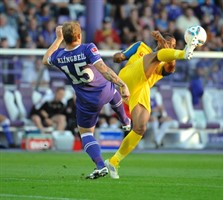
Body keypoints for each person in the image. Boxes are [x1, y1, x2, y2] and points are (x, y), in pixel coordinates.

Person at [104, 26, 202, 179]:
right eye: (169, 43)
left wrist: (164, 43)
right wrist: (118, 56)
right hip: (128, 77)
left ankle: (114, 161)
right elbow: (120, 57)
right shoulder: (141, 46)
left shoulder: (167, 63)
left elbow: (170, 67)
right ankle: (185, 52)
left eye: (174, 46)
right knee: (156, 56)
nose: (170, 46)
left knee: (140, 128)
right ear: (160, 41)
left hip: (141, 90)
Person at [42, 21, 131, 179]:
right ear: (79, 35)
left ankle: (100, 165)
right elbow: (103, 69)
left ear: (65, 38)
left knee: (86, 134)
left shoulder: (59, 55)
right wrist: (122, 84)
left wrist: (57, 39)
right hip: (104, 90)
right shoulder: (88, 48)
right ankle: (125, 122)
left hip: (86, 100)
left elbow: (45, 59)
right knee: (112, 88)